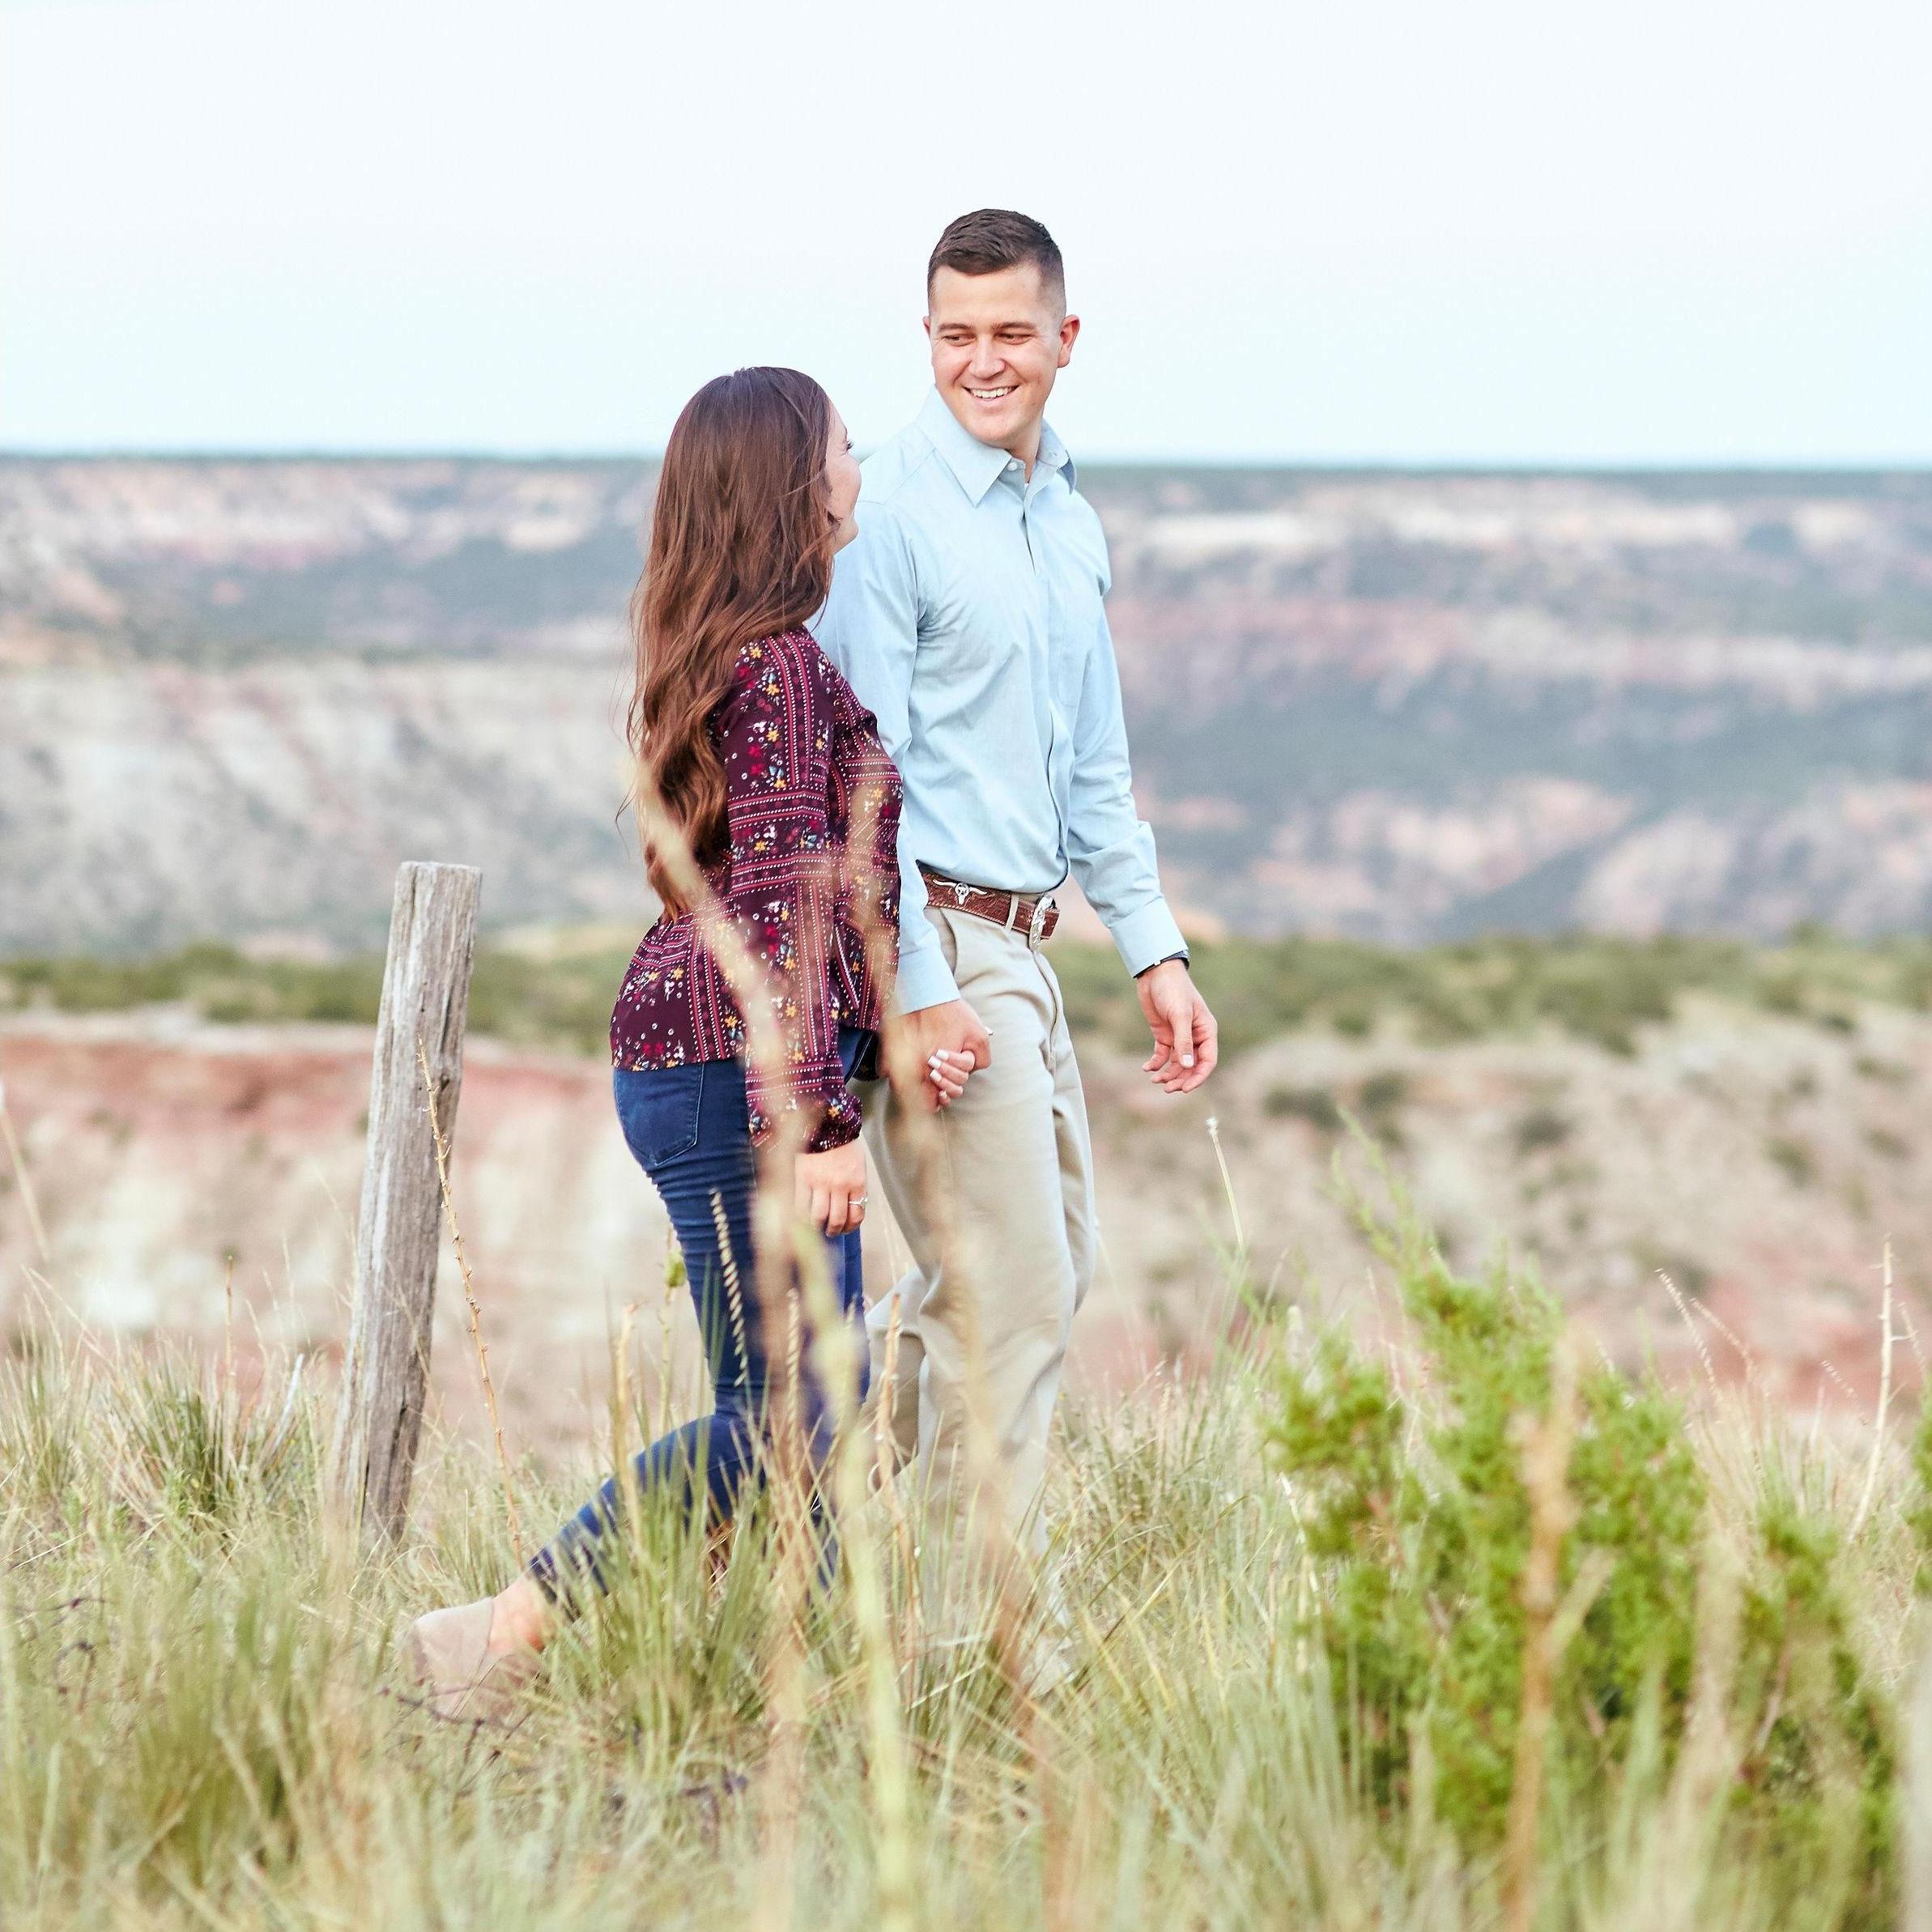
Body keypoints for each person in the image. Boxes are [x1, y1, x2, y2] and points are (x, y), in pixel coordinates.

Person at [404, 366, 955, 1720]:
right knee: (795, 1418)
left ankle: (798, 1700)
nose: (856, 472)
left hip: (720, 1073)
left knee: (806, 1413)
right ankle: (502, 1631)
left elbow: (818, 899)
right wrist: (821, 1119)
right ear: (790, 484)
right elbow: (776, 911)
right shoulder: (770, 669)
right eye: (838, 449)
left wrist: (890, 1040)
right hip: (731, 1083)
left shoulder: (766, 655)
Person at [814, 210, 1219, 1594]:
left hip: (1028, 946)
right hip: (929, 943)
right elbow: (860, 776)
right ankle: (973, 1648)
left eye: (1007, 335)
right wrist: (916, 987)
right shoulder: (888, 514)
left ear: (1064, 338)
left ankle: (856, 1592)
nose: (981, 363)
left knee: (1005, 1283)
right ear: (925, 336)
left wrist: (1150, 949)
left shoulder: (1067, 516)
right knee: (1013, 1297)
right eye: (953, 336)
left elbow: (1091, 761)